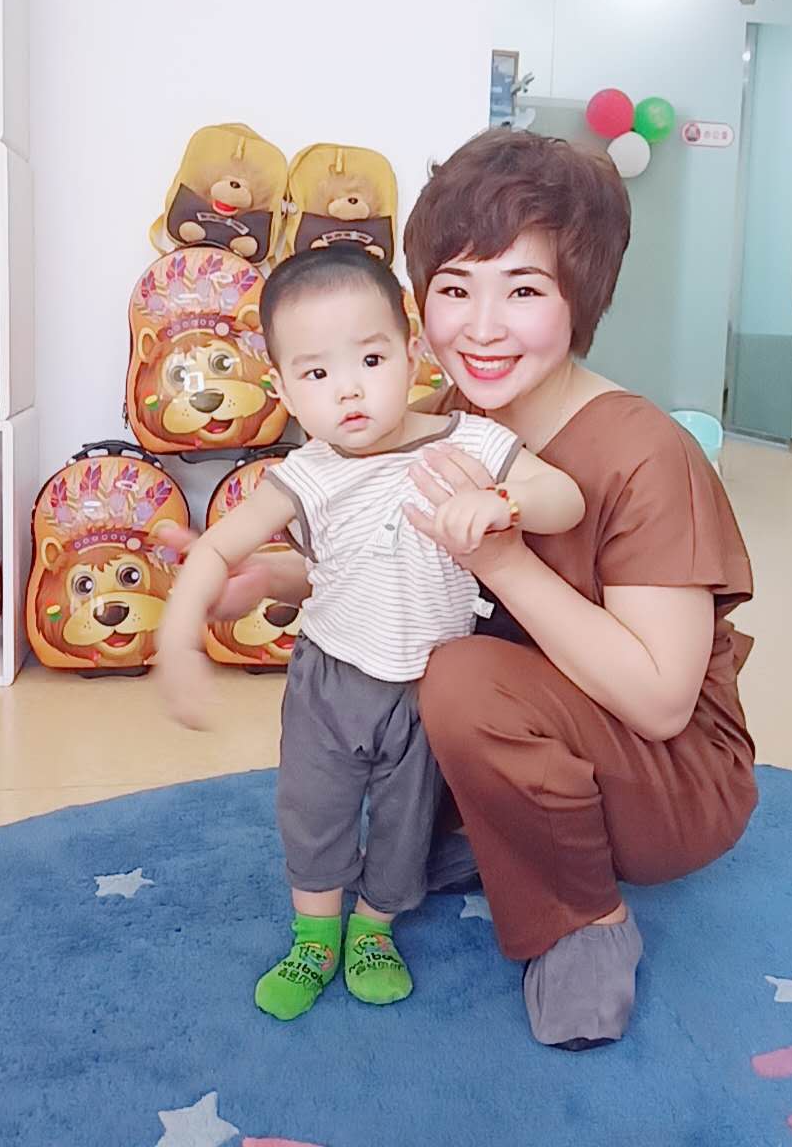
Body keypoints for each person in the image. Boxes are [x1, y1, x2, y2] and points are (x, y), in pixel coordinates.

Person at [156, 244, 584, 1024]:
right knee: (313, 812)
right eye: (317, 373)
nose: (349, 390)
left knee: (405, 822)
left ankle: (373, 930)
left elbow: (565, 498)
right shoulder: (308, 474)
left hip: (430, 687)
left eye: (372, 359)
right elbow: (217, 548)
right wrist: (179, 637)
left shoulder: (470, 443)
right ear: (283, 388)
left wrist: (504, 503)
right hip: (330, 682)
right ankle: (316, 937)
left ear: (412, 352)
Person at [398, 129, 758, 1050]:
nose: (481, 328)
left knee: (461, 678)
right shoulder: (447, 420)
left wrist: (505, 561)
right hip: (551, 721)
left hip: (670, 777)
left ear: (579, 300)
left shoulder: (643, 453)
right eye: (455, 288)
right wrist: (261, 579)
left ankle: (586, 921)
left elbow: (663, 700)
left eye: (523, 290)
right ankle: (490, 833)